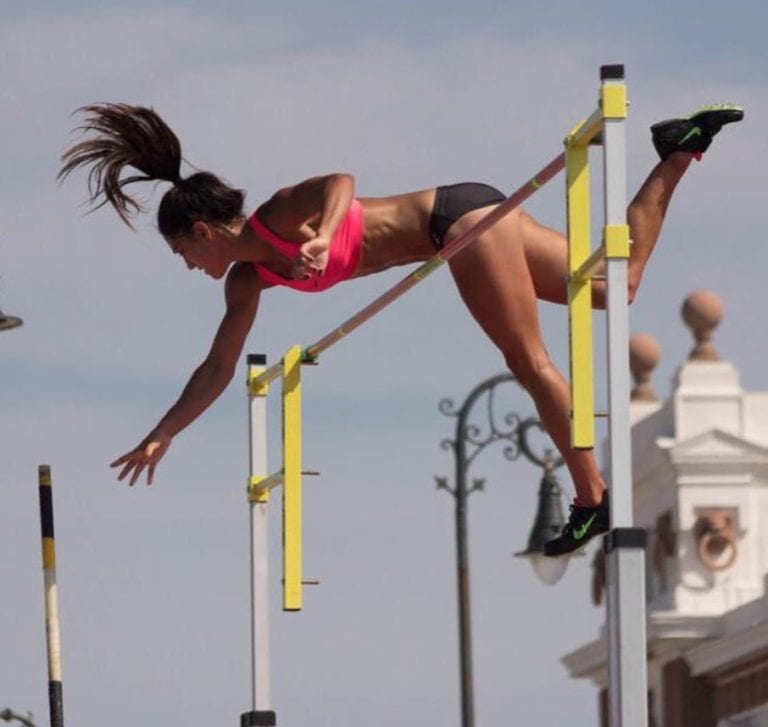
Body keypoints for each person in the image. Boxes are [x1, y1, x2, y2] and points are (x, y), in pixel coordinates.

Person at [59, 102, 743, 556]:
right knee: (617, 285)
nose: (189, 267)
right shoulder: (247, 281)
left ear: (203, 231)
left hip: (457, 223)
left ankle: (592, 498)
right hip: (470, 216)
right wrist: (164, 432)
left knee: (530, 360)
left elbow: (341, 181)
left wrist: (323, 234)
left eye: (184, 253)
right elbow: (217, 368)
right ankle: (677, 151)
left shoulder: (278, 215)